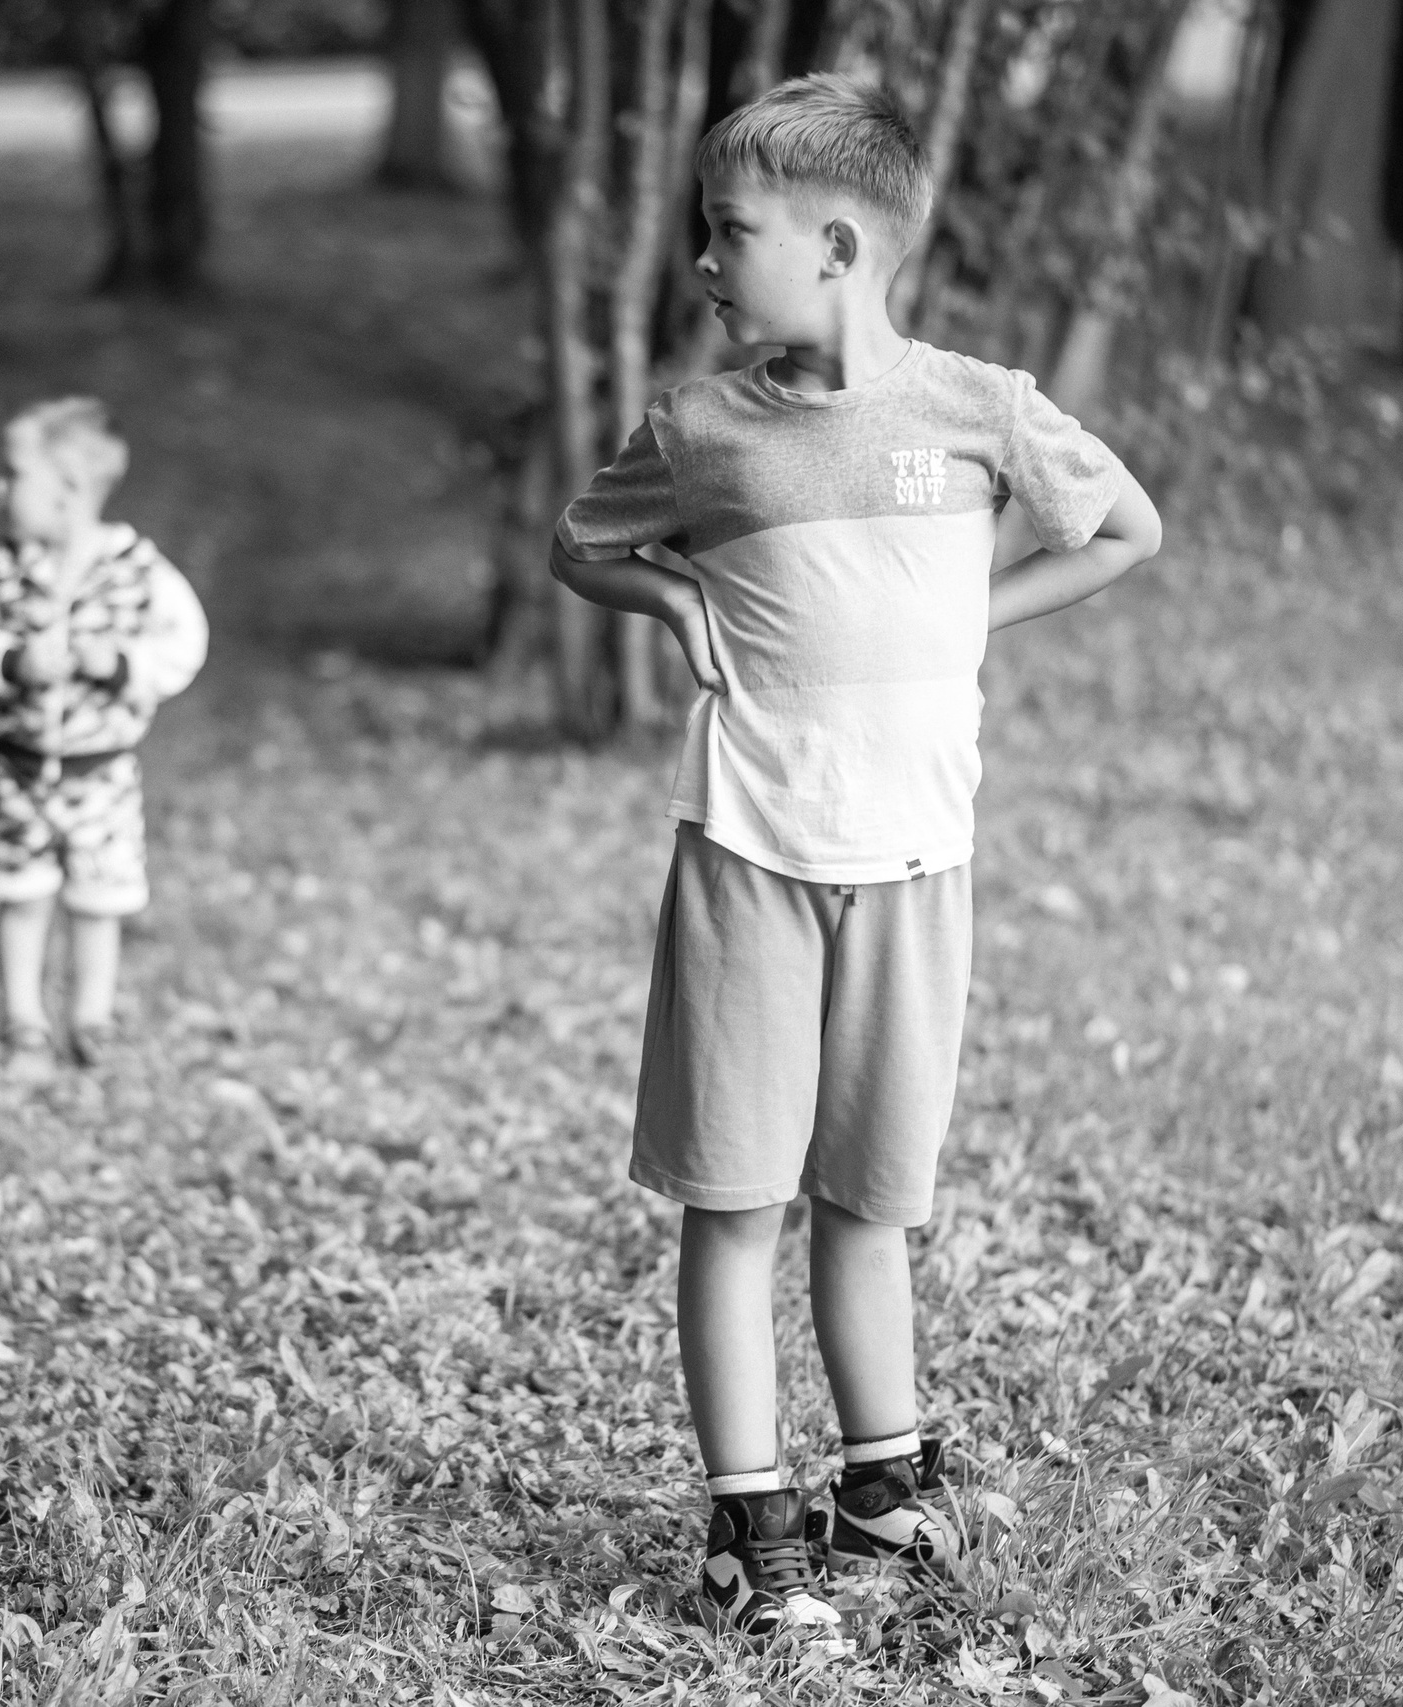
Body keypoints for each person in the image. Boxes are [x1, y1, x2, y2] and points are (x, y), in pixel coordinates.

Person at [551, 73, 1163, 1635]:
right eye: (701, 230)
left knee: (873, 1198)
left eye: (728, 230)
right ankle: (745, 1522)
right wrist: (676, 602)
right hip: (752, 855)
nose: (702, 257)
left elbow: (1122, 529)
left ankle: (881, 1490)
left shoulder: (977, 406)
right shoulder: (698, 428)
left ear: (835, 246)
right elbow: (579, 542)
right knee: (734, 1197)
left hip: (915, 863)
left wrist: (972, 625)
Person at [0, 398, 209, 1084]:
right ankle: (22, 1025)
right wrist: (8, 662)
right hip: (17, 771)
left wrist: (117, 664)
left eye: (12, 473)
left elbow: (185, 642)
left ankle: (93, 1022)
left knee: (98, 903)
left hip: (101, 775)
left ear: (68, 490)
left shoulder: (138, 572)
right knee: (20, 896)